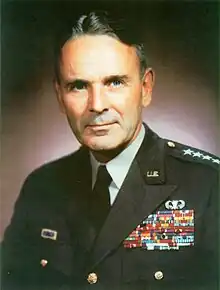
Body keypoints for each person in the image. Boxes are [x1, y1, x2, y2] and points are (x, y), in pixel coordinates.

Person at [1, 10, 219, 290]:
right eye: (78, 86)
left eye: (114, 82)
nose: (97, 105)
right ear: (59, 96)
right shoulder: (40, 189)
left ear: (145, 88)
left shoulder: (209, 186)